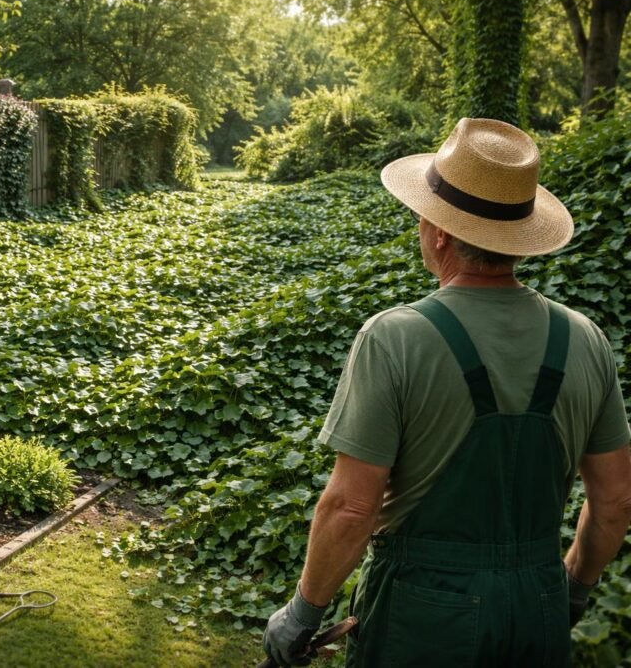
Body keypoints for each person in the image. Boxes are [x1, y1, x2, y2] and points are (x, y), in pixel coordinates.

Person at [263, 118, 631, 667]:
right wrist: (573, 587)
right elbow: (616, 502)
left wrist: (302, 614)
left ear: (439, 232)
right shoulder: (586, 339)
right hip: (539, 607)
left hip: (423, 615)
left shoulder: (395, 337)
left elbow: (352, 505)